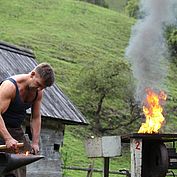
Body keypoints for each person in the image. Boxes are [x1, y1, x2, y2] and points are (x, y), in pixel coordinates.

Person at [0, 63, 55, 177]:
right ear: (33, 74)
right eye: (38, 84)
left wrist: (35, 142)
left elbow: (35, 117)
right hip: (2, 129)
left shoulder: (38, 92)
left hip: (15, 131)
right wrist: (8, 138)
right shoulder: (9, 86)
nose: (39, 89)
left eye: (43, 87)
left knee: (18, 172)